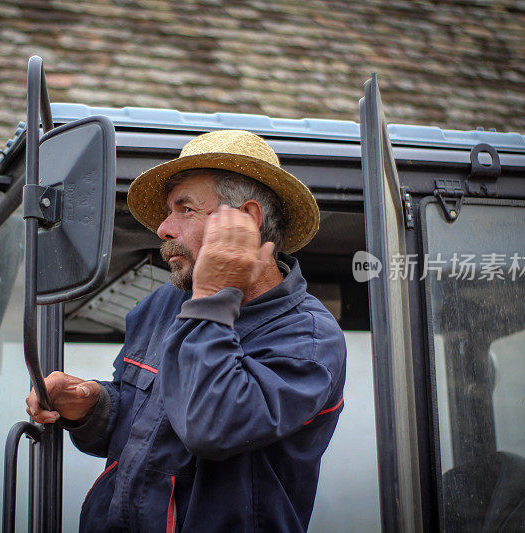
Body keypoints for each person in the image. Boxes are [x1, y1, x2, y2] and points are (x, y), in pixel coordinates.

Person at [26, 129, 346, 532]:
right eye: (168, 211)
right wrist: (94, 406)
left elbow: (210, 426)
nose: (163, 227)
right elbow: (148, 421)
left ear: (247, 220)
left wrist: (214, 296)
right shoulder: (164, 305)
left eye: (185, 209)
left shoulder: (308, 338)